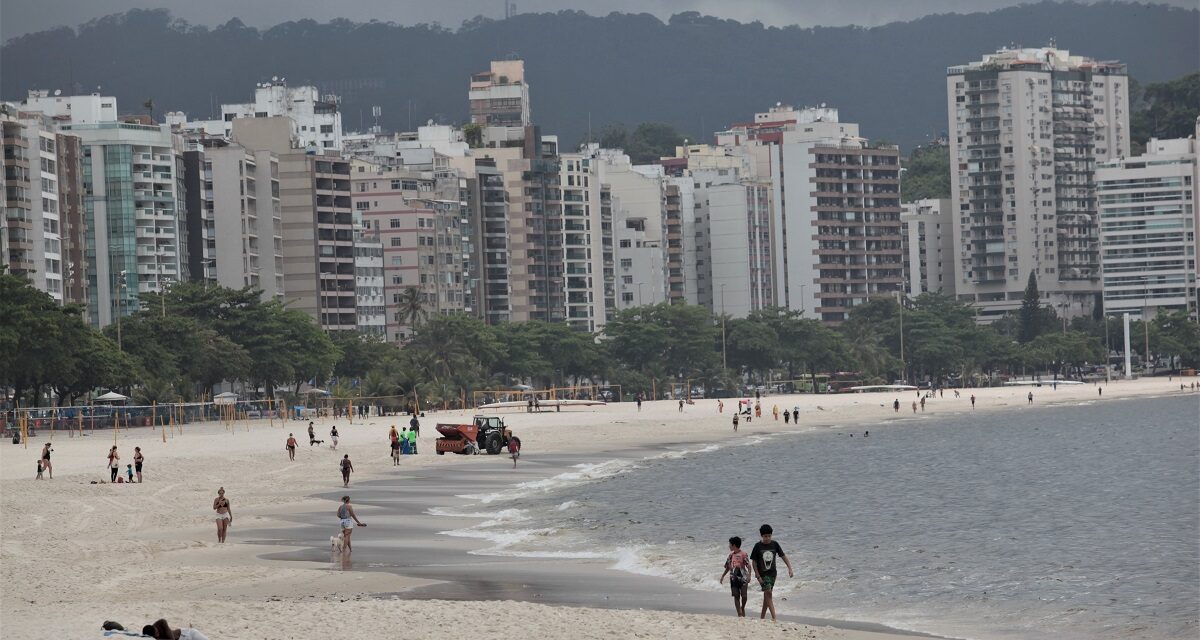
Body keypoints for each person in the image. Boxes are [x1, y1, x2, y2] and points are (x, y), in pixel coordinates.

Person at [750, 524, 794, 621]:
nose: (767, 538)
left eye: (769, 536)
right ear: (762, 536)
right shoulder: (757, 546)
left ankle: (762, 617)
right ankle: (774, 617)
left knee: (767, 596)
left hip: (773, 574)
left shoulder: (775, 544)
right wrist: (757, 575)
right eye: (765, 536)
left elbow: (783, 556)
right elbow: (754, 562)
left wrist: (790, 568)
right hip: (762, 574)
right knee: (769, 593)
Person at [720, 536, 751, 617]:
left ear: (734, 545)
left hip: (743, 578)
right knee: (736, 596)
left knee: (744, 596)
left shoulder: (744, 554)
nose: (729, 546)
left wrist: (749, 576)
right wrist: (723, 576)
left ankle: (743, 607)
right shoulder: (730, 555)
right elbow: (727, 567)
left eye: (730, 544)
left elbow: (749, 566)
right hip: (733, 578)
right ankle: (739, 614)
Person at [145, 618, 210, 640]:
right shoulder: (150, 635)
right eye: (156, 634)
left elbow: (172, 639)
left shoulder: (162, 622)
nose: (158, 634)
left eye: (157, 632)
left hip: (188, 634)